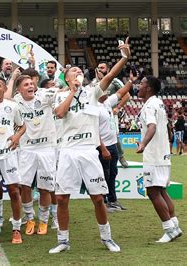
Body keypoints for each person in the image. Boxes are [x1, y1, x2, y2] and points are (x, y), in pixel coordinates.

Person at [49, 38, 131, 254]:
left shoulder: (92, 92)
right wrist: (72, 92)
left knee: (97, 198)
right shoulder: (59, 95)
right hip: (67, 151)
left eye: (79, 70)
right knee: (61, 198)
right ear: (66, 79)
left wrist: (123, 57)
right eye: (73, 71)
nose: (77, 72)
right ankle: (63, 241)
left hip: (88, 150)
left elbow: (111, 76)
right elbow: (59, 113)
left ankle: (107, 238)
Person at [136, 76, 182, 242]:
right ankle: (174, 226)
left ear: (148, 88)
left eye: (141, 83)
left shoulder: (150, 105)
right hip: (163, 154)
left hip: (154, 155)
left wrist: (142, 144)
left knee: (153, 192)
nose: (138, 86)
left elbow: (152, 127)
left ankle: (168, 229)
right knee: (162, 191)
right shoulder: (159, 103)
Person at [15, 75, 57, 236]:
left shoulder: (44, 95)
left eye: (32, 83)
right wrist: (12, 77)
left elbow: (61, 90)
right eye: (26, 84)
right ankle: (30, 218)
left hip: (46, 148)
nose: (30, 86)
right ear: (19, 89)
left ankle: (44, 220)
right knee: (24, 185)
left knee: (44, 187)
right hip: (26, 149)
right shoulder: (16, 101)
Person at [0, 76, 25, 243]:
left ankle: (16, 228)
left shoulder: (12, 106)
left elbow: (22, 125)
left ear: (5, 89)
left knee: (13, 190)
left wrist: (17, 136)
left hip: (8, 154)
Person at [97, 73, 135, 212]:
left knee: (113, 173)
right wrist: (103, 149)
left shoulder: (106, 102)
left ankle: (113, 200)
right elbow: (94, 131)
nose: (107, 92)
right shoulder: (94, 107)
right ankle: (103, 202)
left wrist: (131, 81)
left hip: (112, 145)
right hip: (103, 147)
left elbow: (120, 92)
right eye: (104, 90)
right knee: (103, 174)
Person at [93, 62, 129, 168]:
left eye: (102, 68)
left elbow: (126, 94)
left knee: (114, 135)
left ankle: (120, 156)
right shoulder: (94, 82)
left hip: (109, 112)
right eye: (98, 67)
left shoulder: (115, 81)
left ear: (108, 70)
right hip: (97, 112)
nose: (100, 69)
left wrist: (118, 107)